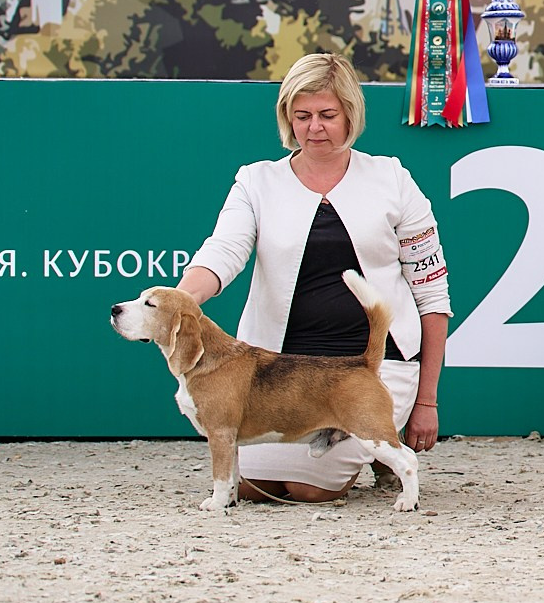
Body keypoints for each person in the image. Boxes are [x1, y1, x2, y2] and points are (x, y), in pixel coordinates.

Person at [176, 53, 451, 503]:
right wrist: (183, 299)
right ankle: (368, 453)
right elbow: (223, 251)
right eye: (302, 116)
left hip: (373, 369)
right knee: (253, 486)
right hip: (282, 376)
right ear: (287, 117)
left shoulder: (393, 178)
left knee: (307, 489)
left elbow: (432, 295)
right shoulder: (255, 181)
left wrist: (427, 401)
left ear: (351, 115)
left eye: (327, 115)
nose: (314, 128)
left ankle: (381, 447)